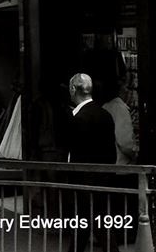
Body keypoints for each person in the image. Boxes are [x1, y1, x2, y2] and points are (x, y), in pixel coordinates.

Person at [66, 73, 118, 252]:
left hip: (84, 182)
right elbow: (111, 151)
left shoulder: (78, 118)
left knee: (91, 224)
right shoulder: (105, 115)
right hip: (102, 180)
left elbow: (75, 153)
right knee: (94, 223)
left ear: (73, 89)